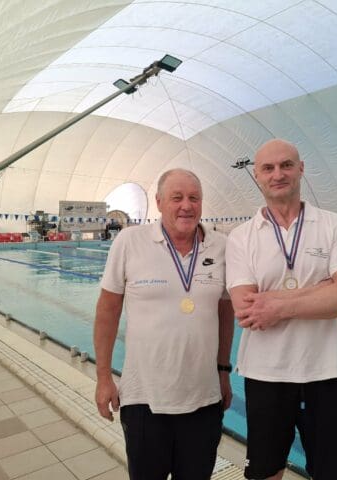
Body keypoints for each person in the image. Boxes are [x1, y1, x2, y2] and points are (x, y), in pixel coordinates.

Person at [226, 139, 337, 480]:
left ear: (301, 169)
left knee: (332, 474)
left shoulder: (334, 225)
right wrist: (323, 289)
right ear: (257, 175)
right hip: (266, 375)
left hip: (326, 373)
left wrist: (276, 305)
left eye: (286, 165)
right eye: (268, 168)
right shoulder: (241, 237)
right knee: (264, 472)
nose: (278, 174)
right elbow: (248, 311)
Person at [94, 168, 234, 480]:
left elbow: (226, 313)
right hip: (144, 400)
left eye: (194, 198)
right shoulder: (130, 241)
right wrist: (103, 377)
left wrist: (223, 371)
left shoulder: (221, 247)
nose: (186, 205)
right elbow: (107, 311)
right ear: (158, 202)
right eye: (177, 198)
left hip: (204, 400)